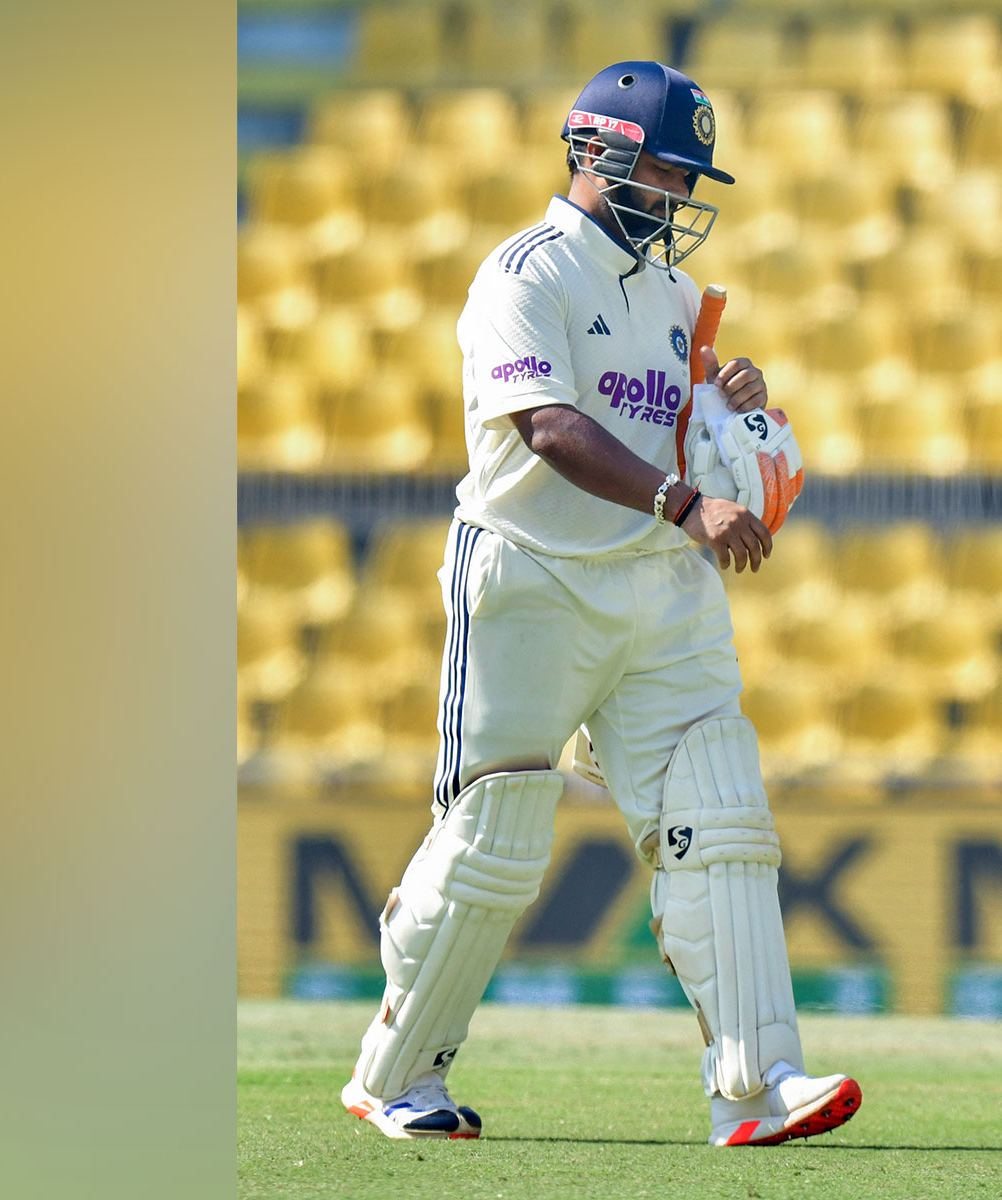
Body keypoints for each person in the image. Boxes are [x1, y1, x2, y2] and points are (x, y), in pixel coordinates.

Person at [340, 60, 861, 1148]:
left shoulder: (678, 301)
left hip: (656, 584)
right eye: (669, 167)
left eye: (689, 174)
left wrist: (732, 408)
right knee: (495, 829)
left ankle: (760, 1086)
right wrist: (683, 504)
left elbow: (684, 438)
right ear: (599, 153)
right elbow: (551, 428)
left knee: (719, 810)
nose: (681, 193)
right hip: (530, 577)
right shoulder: (523, 273)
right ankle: (402, 1077)